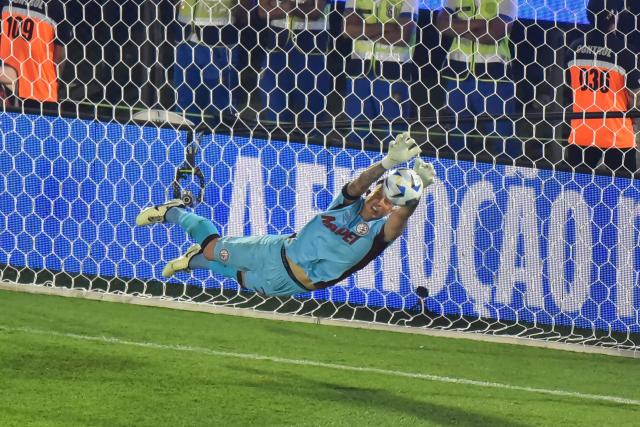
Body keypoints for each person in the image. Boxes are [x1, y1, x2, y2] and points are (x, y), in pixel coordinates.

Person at [136, 133, 435, 297]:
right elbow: (358, 184)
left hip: (292, 286)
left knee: (236, 275)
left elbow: (401, 218)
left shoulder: (378, 237)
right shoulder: (347, 204)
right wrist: (385, 164)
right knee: (214, 248)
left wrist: (414, 193)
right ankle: (174, 213)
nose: (379, 202)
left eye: (387, 202)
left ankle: (192, 260)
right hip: (273, 252)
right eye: (379, 193)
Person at [564, 0, 640, 174]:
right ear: (613, 15)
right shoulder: (623, 51)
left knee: (575, 191)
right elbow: (636, 97)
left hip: (582, 132)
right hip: (616, 134)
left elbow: (571, 87)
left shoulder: (574, 48)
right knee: (625, 194)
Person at [435, 0, 519, 157]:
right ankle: (459, 176)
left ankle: (508, 178)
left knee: (503, 140)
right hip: (457, 75)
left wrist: (458, 27)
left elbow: (493, 34)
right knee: (456, 138)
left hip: (494, 77)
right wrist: (478, 25)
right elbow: (442, 25)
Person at [342, 0, 418, 142]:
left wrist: (362, 32)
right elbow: (348, 30)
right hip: (358, 75)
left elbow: (401, 37)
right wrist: (388, 28)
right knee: (356, 136)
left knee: (396, 139)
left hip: (393, 75)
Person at [173, 0, 250, 124]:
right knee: (185, 102)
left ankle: (221, 140)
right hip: (185, 36)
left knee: (221, 106)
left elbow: (245, 10)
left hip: (219, 39)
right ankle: (186, 140)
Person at [257, 0, 332, 127]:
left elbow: (316, 11)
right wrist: (297, 7)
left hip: (311, 49)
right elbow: (262, 11)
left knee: (311, 118)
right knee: (275, 114)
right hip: (276, 49)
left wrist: (286, 6)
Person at [0, 0, 72, 105]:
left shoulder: (5, 2)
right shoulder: (57, 6)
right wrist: (55, 84)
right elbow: (60, 56)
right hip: (41, 88)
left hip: (7, 82)